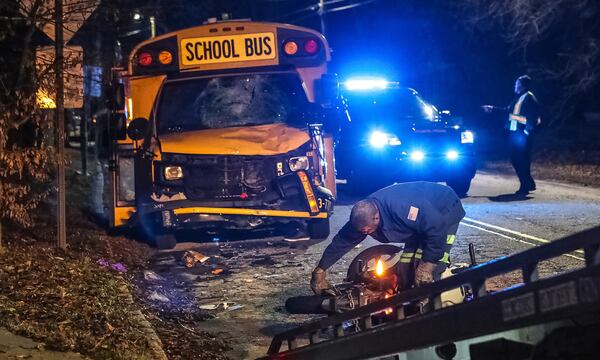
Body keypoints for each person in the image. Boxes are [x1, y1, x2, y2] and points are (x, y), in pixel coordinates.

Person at [310, 182, 465, 296]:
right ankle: (406, 301)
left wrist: (427, 266)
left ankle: (433, 304)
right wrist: (321, 269)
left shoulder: (402, 208)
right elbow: (343, 241)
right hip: (420, 223)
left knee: (428, 272)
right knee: (405, 270)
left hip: (443, 208)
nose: (367, 233)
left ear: (376, 217)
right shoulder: (363, 216)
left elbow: (435, 228)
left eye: (368, 231)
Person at [483, 75, 541, 194]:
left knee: (521, 160)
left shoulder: (529, 98)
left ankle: (525, 185)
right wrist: (492, 109)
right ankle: (528, 183)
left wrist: (526, 131)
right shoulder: (519, 99)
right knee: (517, 159)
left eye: (517, 84)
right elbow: (508, 112)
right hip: (516, 135)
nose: (515, 86)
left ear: (523, 86)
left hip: (522, 136)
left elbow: (532, 118)